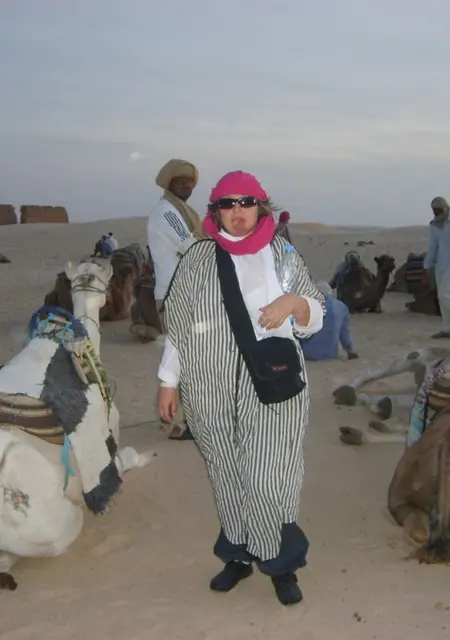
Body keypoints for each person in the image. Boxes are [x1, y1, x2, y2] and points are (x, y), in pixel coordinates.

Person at [156, 170, 325, 605]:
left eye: (246, 202)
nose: (237, 211)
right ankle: (237, 554)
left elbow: (316, 314)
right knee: (226, 472)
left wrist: (294, 303)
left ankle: (280, 563)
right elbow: (179, 326)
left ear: (260, 207)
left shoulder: (282, 253)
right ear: (215, 212)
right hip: (207, 384)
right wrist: (167, 381)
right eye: (226, 204)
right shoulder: (197, 258)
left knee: (269, 476)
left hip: (273, 382)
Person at [146, 158, 205, 440]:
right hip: (175, 295)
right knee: (183, 358)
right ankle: (181, 423)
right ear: (169, 183)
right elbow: (191, 245)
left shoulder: (180, 211)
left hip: (185, 292)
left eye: (190, 181)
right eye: (181, 181)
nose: (186, 185)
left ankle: (183, 419)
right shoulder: (168, 213)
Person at [300, 281, 358, 361]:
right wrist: (350, 351)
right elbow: (345, 335)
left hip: (307, 354)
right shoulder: (341, 307)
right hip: (331, 354)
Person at [424, 196, 450, 338]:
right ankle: (447, 329)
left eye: (438, 209)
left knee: (444, 295)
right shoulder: (434, 226)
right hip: (441, 265)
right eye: (434, 210)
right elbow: (432, 247)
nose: (436, 212)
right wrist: (427, 266)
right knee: (442, 298)